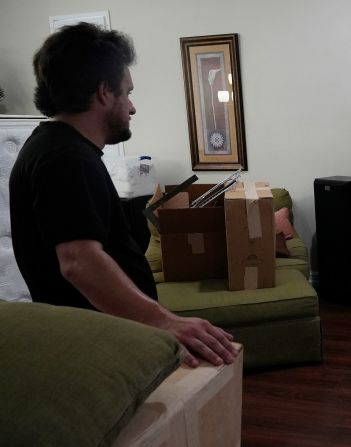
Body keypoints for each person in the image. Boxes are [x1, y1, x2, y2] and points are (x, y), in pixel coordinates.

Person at [9, 23, 238, 368]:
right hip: (94, 350)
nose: (131, 107)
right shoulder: (64, 157)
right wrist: (164, 321)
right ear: (103, 92)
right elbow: (79, 262)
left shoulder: (62, 150)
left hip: (108, 337)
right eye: (127, 93)